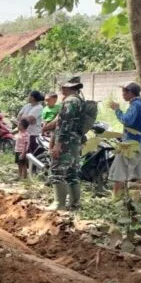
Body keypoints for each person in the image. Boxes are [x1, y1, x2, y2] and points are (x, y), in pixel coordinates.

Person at [48, 80, 85, 210]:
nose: (61, 89)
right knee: (72, 172)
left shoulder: (70, 101)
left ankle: (59, 204)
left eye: (62, 86)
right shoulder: (79, 100)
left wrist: (58, 144)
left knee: (57, 170)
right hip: (75, 142)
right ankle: (74, 203)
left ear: (68, 87)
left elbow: (65, 124)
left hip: (66, 143)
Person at [109, 82, 141, 198]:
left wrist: (117, 110)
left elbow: (127, 121)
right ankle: (136, 201)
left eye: (124, 92)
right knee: (137, 176)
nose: (122, 94)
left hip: (130, 145)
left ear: (130, 93)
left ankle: (116, 200)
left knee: (120, 173)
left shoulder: (136, 105)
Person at [18, 90, 45, 156]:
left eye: (29, 96)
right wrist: (26, 119)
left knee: (30, 154)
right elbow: (18, 116)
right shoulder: (27, 106)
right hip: (23, 133)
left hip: (32, 134)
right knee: (20, 153)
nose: (28, 97)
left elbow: (29, 119)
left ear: (32, 97)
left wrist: (24, 118)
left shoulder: (39, 107)